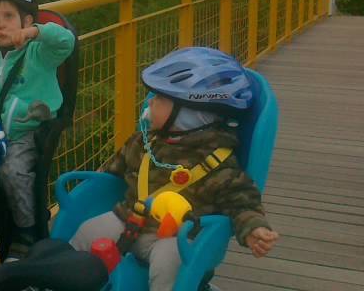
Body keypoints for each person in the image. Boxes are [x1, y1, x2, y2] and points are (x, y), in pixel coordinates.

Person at [69, 47, 279, 291]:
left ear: (190, 114)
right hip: (129, 221)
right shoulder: (143, 142)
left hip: (177, 238)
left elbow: (242, 203)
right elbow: (111, 171)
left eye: (159, 99)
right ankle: (62, 280)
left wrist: (254, 229)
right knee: (87, 232)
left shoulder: (218, 164)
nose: (150, 103)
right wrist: (93, 186)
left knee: (170, 261)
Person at [0, 0, 75, 260]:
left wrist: (35, 32)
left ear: (25, 20)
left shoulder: (39, 54)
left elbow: (66, 41)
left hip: (28, 131)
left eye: (8, 17)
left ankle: (26, 230)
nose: (0, 25)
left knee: (12, 171)